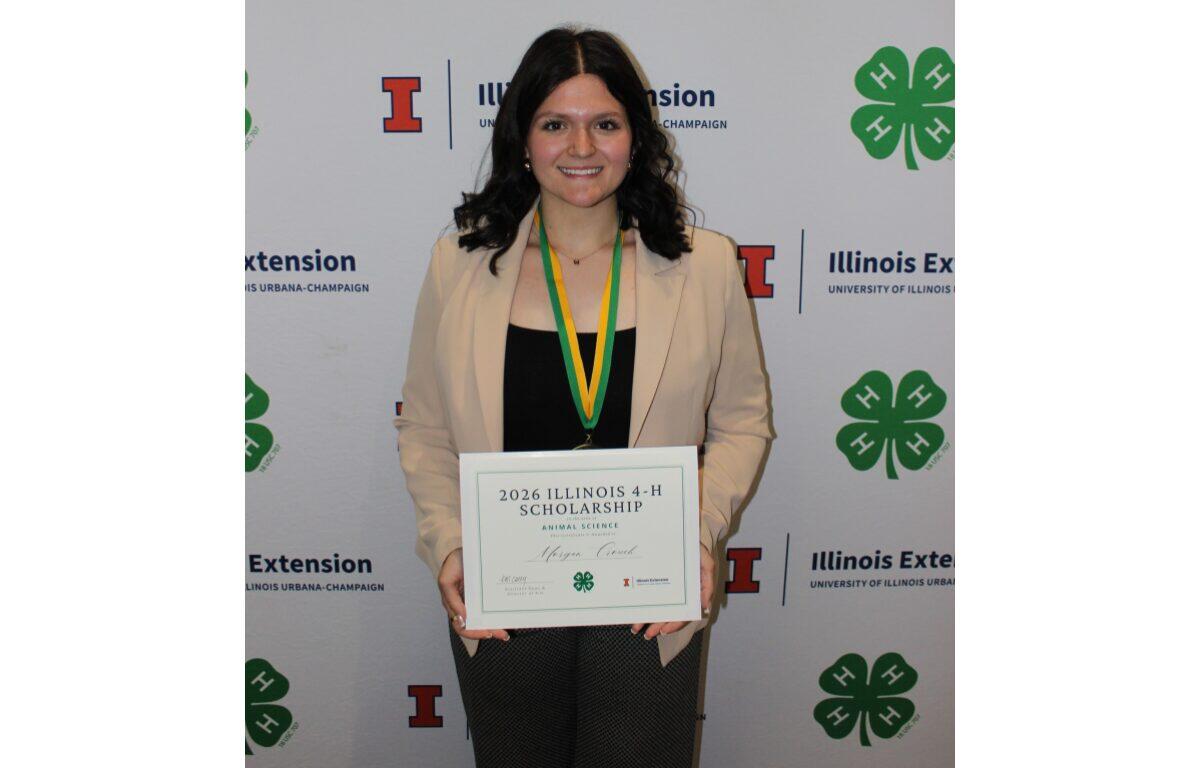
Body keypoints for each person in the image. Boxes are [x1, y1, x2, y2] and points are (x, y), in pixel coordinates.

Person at [395, 26, 772, 768]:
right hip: (501, 594)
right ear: (523, 138)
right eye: (555, 124)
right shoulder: (458, 264)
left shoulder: (705, 267)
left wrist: (697, 534)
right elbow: (426, 429)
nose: (582, 147)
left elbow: (743, 423)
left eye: (605, 123)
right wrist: (448, 543)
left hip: (648, 604)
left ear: (635, 136)